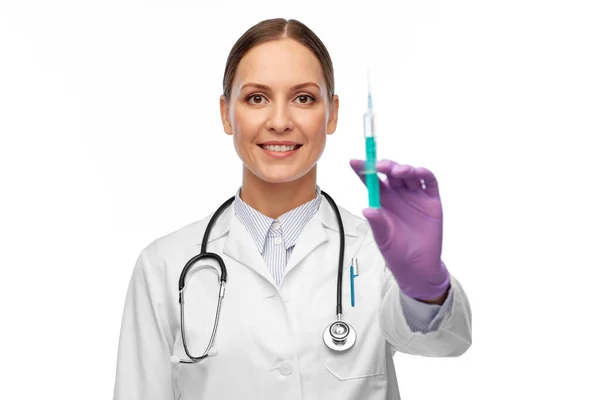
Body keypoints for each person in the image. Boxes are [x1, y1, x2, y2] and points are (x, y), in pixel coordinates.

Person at [112, 17, 472, 400]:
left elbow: (446, 343)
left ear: (332, 113)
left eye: (303, 98)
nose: (280, 122)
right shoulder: (165, 266)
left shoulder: (376, 254)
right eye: (256, 98)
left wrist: (426, 286)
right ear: (225, 113)